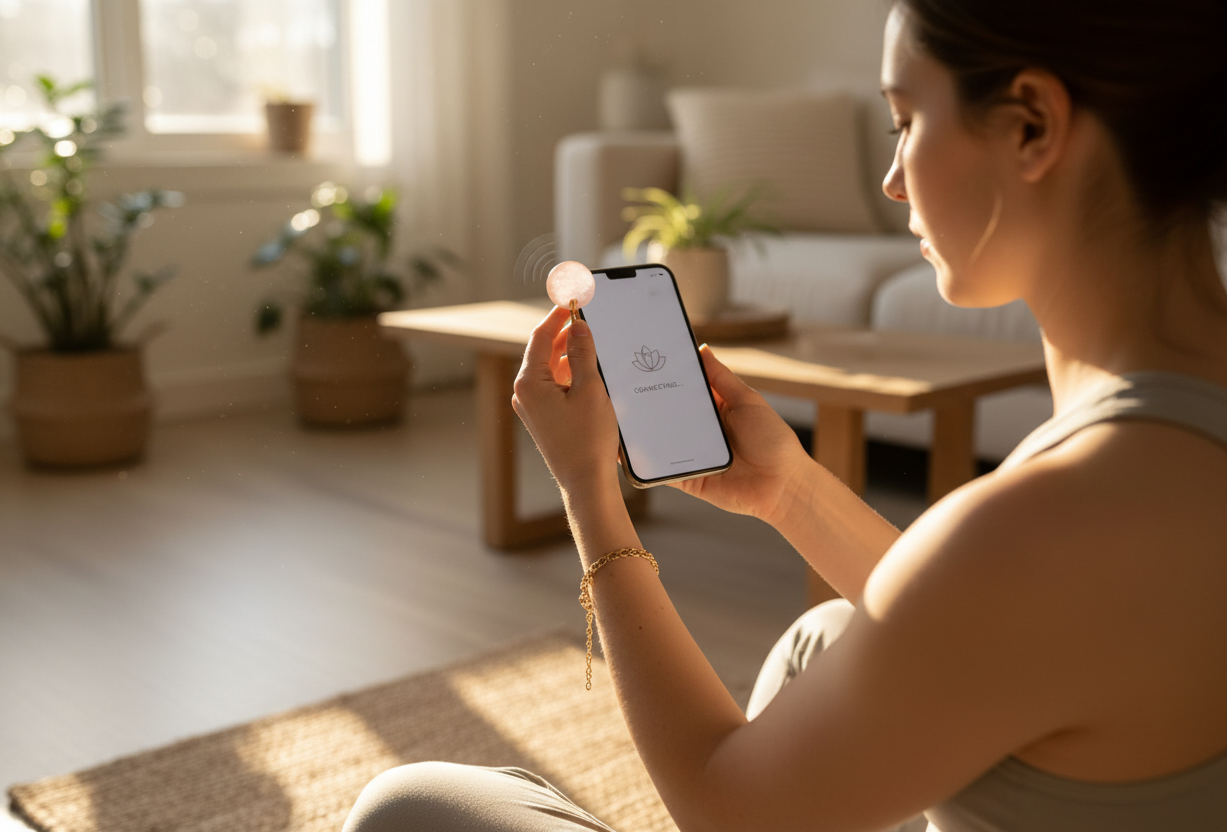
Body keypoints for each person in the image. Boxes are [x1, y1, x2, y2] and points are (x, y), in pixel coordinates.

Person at [343, 1, 1227, 829]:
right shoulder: (1154, 465)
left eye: (906, 122)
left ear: (1031, 124)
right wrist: (790, 491)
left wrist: (587, 489)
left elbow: (725, 805)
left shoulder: (1043, 529)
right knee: (828, 633)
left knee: (406, 804)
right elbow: (998, 623)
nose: (889, 178)